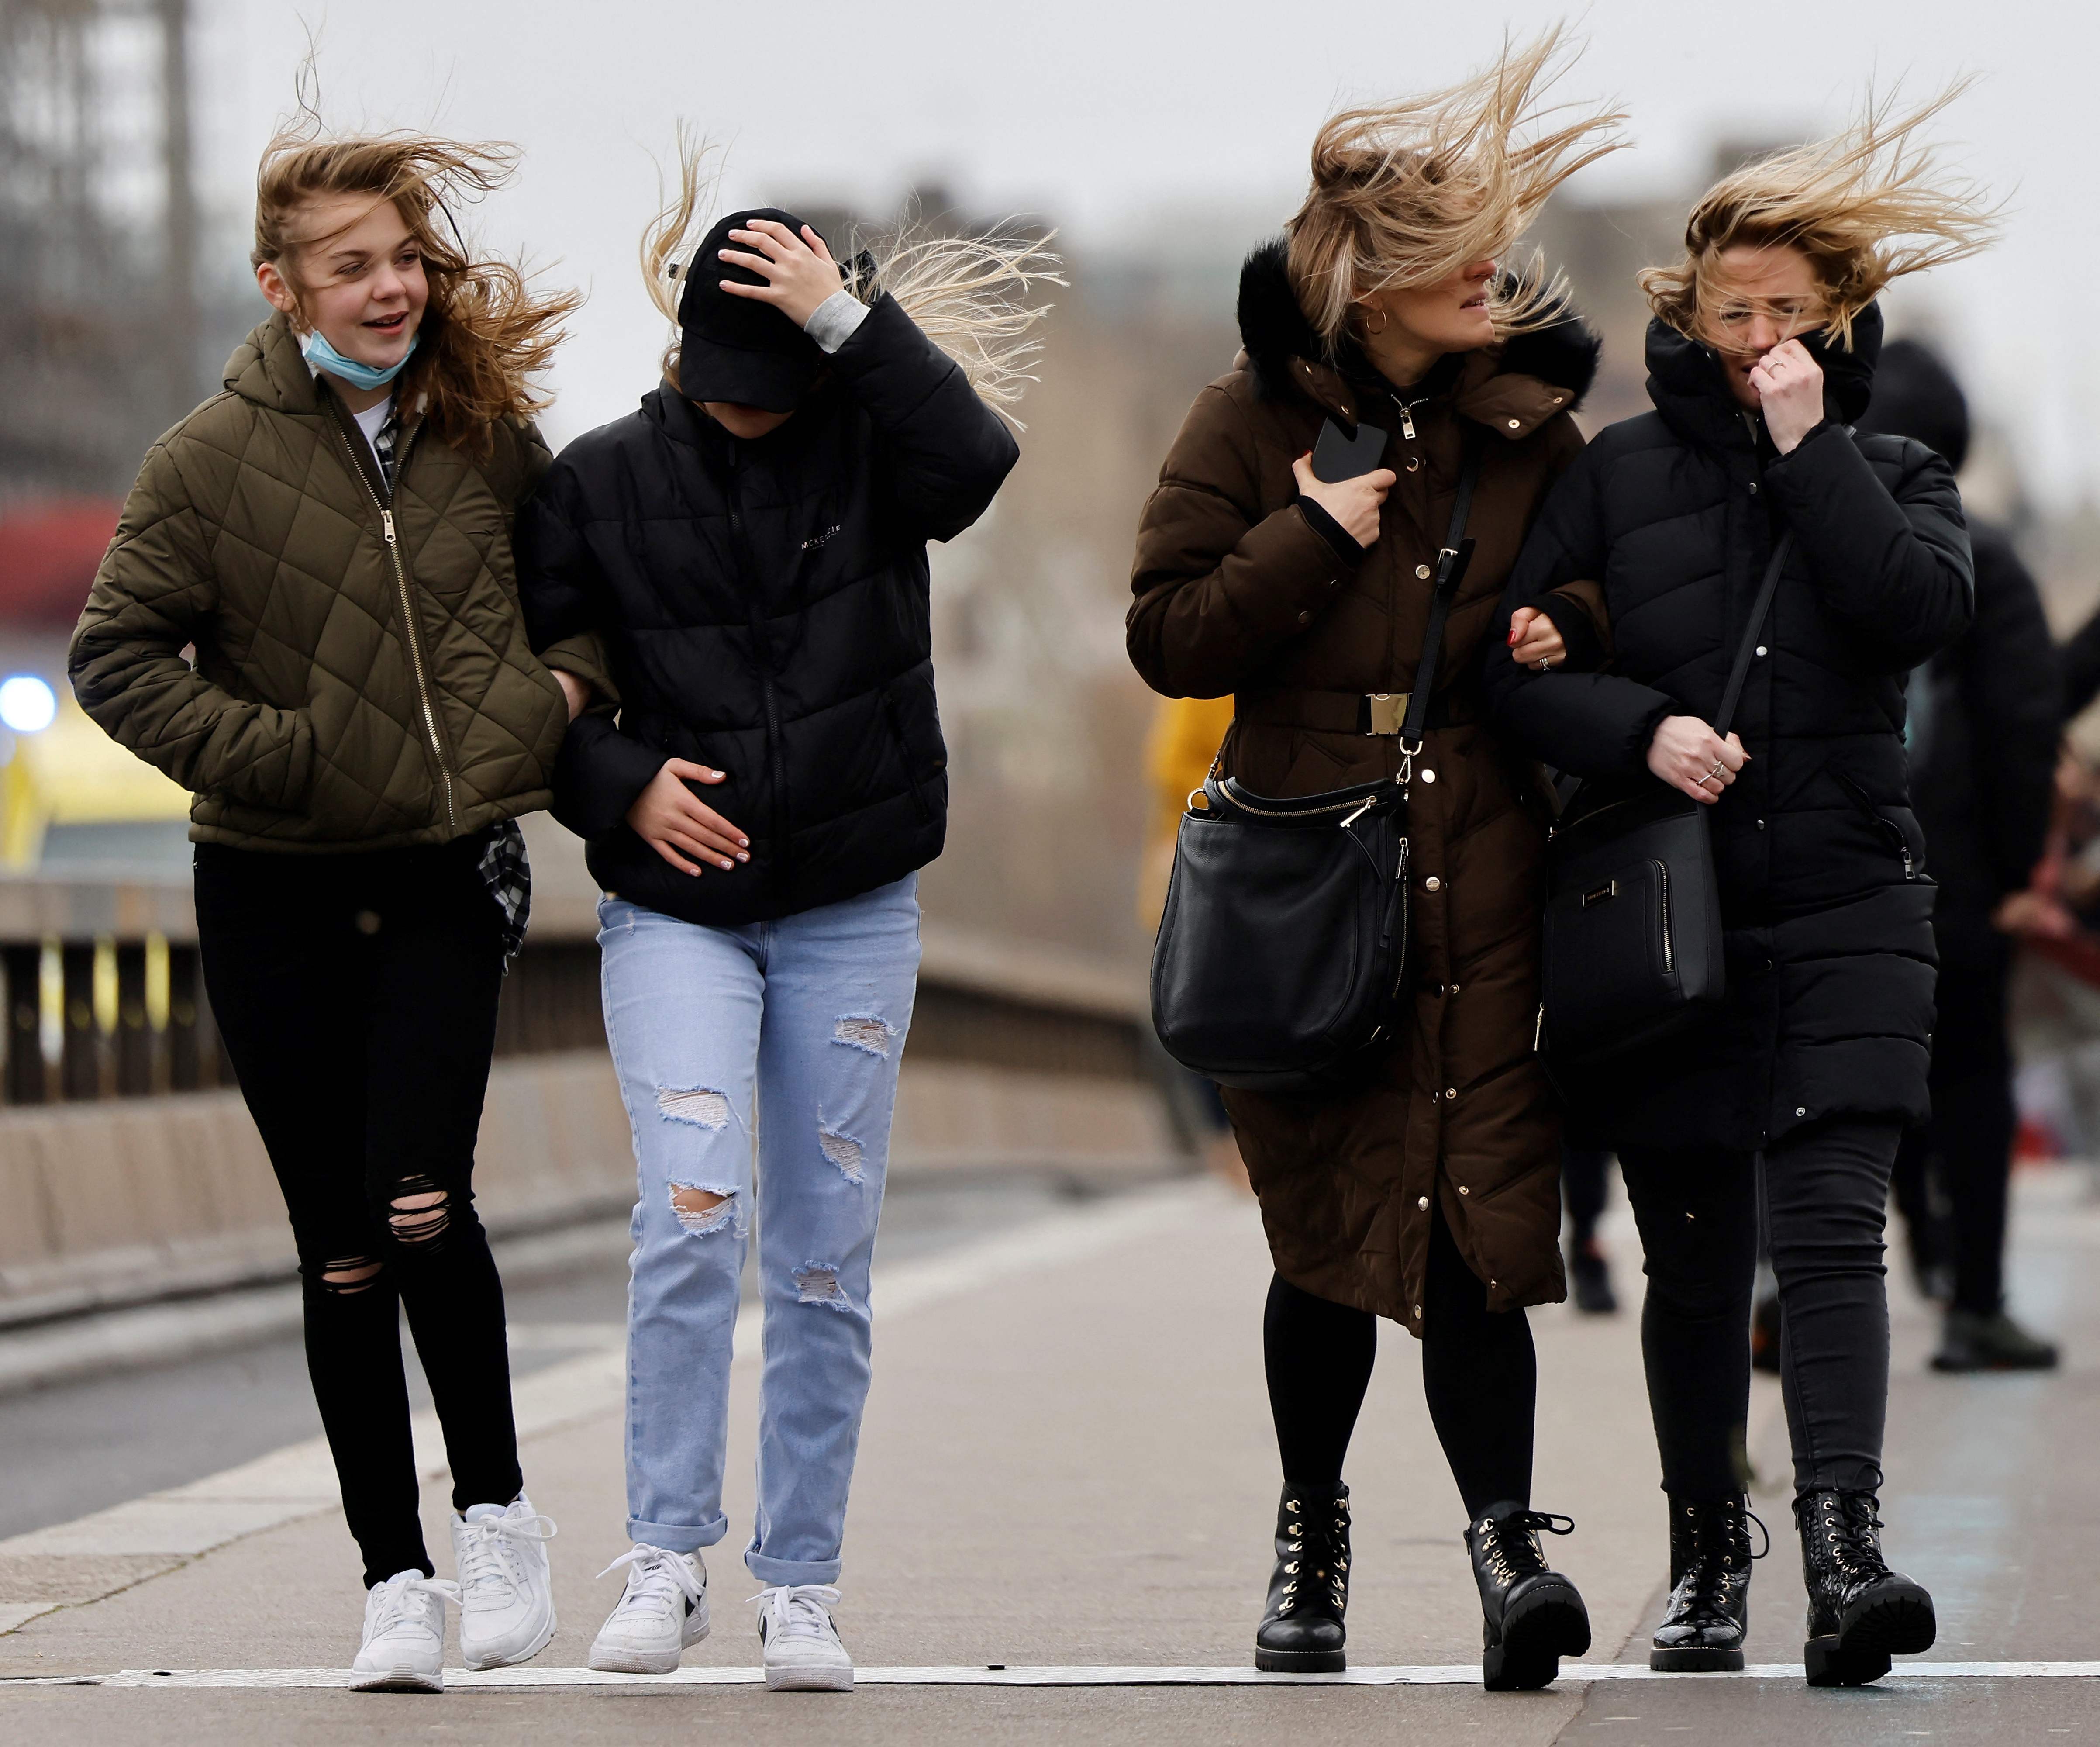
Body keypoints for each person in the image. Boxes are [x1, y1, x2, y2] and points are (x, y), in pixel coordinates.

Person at [69, 109, 604, 1691]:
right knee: (341, 1249)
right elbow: (113, 658)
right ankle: (394, 1576)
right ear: (280, 286)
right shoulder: (206, 463)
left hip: (443, 878)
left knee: (423, 1200)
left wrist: (550, 708)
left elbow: (582, 607)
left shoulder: (484, 431)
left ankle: (500, 1516)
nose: (393, 289)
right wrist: (271, 756)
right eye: (354, 267)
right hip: (272, 894)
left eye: (406, 261)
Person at [1126, 32, 1624, 1691]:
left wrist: (1576, 624)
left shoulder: (1532, 433)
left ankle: (1505, 1550)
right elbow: (1172, 639)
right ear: (1373, 283)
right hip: (1302, 874)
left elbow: (1612, 592)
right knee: (1329, 1226)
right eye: (1451, 250)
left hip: (1486, 862)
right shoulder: (1245, 419)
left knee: (1482, 1216)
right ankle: (1312, 1531)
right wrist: (1310, 526)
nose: (1492, 270)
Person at [514, 150, 1046, 1692]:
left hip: (852, 903)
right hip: (676, 912)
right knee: (691, 1214)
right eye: (727, 382)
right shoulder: (594, 483)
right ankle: (666, 1558)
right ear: (679, 360)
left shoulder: (878, 445)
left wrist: (854, 324)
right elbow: (526, 690)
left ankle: (799, 1583)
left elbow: (983, 462)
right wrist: (617, 784)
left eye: (780, 376)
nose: (753, 409)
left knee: (823, 1257)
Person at [1486, 92, 1993, 1686]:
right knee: (1694, 1249)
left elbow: (1915, 611)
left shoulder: (1891, 466)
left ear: (1837, 321)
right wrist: (1645, 728)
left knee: (1835, 1231)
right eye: (1734, 313)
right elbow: (1513, 673)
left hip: (1850, 898)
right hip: (1670, 915)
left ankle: (1847, 1552)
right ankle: (1710, 1557)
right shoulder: (1617, 474)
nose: (1761, 333)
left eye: (1791, 312)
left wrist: (1808, 447)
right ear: (1686, 322)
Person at [1855, 340, 2062, 1372]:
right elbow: (2024, 727)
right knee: (1971, 1075)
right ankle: (1972, 1302)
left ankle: (1823, 1287)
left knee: (1855, 1080)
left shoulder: (1801, 537)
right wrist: (2023, 871)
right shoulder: (1983, 555)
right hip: (1958, 883)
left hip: (1828, 874)